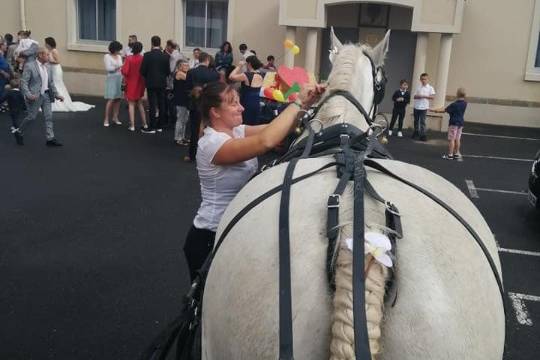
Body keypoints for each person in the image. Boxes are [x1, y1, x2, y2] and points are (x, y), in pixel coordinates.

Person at [182, 81, 325, 281]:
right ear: (215, 112)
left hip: (236, 226)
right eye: (233, 103)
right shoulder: (211, 143)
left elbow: (279, 128)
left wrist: (309, 103)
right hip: (210, 236)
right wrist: (298, 101)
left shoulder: (238, 131)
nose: (241, 107)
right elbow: (266, 141)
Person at [12, 47, 64, 146]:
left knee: (49, 117)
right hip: (35, 96)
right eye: (47, 54)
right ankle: (19, 132)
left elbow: (51, 83)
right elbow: (24, 82)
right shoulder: (30, 66)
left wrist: (57, 95)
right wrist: (28, 95)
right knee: (31, 117)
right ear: (40, 55)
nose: (49, 56)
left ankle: (50, 138)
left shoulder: (48, 67)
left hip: (46, 95)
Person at [184, 51, 220, 162]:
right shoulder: (214, 74)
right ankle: (210, 154)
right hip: (209, 105)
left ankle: (192, 155)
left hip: (195, 103)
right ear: (208, 60)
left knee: (194, 130)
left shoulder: (191, 72)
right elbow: (216, 91)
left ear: (199, 60)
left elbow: (187, 89)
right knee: (210, 129)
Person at [44, 37, 94, 112]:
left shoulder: (54, 51)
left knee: (56, 83)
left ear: (48, 44)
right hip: (52, 69)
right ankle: (54, 99)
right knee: (53, 83)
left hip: (55, 69)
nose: (45, 44)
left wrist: (49, 61)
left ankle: (59, 101)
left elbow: (58, 61)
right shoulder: (49, 51)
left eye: (45, 43)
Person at [140, 35, 170, 133]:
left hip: (151, 82)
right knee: (162, 104)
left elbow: (142, 70)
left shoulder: (147, 55)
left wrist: (148, 76)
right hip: (162, 82)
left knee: (152, 105)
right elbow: (168, 71)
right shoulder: (165, 56)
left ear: (152, 43)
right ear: (160, 43)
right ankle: (160, 125)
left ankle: (152, 126)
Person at [431, 88, 467, 160]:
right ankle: (456, 153)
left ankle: (450, 154)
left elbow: (444, 110)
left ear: (457, 94)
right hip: (460, 123)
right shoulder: (465, 103)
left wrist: (435, 110)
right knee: (457, 139)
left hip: (453, 123)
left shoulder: (454, 105)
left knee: (452, 139)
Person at [121, 41, 148, 132]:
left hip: (131, 82)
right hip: (140, 83)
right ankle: (145, 123)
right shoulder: (143, 58)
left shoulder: (129, 58)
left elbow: (125, 71)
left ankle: (132, 125)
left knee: (131, 104)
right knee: (140, 103)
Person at [229, 55, 263, 125]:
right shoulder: (261, 74)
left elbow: (231, 77)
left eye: (247, 64)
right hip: (257, 102)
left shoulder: (246, 75)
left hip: (247, 102)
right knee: (254, 124)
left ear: (249, 64)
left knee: (245, 124)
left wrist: (239, 66)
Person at [165, 40, 184, 129]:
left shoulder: (173, 56)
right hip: (180, 82)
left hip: (172, 82)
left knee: (171, 102)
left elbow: (171, 70)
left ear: (169, 46)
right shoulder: (180, 54)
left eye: (167, 46)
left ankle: (173, 121)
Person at [103, 40, 123, 127]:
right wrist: (118, 67)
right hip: (111, 79)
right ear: (114, 49)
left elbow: (121, 67)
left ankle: (115, 117)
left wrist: (116, 68)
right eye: (118, 49)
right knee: (111, 99)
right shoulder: (107, 56)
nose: (119, 51)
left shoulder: (119, 56)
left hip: (119, 78)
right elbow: (108, 68)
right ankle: (106, 119)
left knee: (118, 99)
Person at [412, 73, 435, 141]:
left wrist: (424, 96)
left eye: (425, 79)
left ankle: (423, 135)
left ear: (428, 79)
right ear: (420, 80)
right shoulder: (418, 87)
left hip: (424, 107)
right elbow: (414, 96)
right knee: (416, 120)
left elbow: (432, 97)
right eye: (422, 79)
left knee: (422, 121)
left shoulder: (430, 88)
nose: (423, 80)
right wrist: (418, 96)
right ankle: (416, 132)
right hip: (416, 106)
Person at [173, 59, 190, 145]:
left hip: (185, 99)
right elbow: (190, 79)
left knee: (185, 119)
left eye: (188, 65)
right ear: (179, 66)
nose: (187, 67)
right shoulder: (179, 73)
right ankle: (177, 138)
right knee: (180, 119)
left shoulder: (186, 73)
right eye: (185, 65)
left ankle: (182, 137)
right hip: (180, 100)